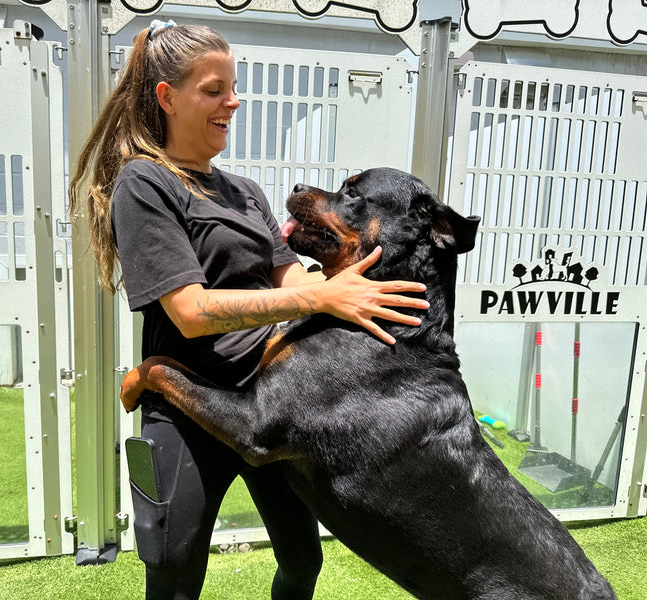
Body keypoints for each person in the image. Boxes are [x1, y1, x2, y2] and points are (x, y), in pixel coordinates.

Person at [68, 19, 428, 600]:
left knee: (302, 562)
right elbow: (189, 311)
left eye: (233, 88)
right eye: (214, 90)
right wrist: (318, 295)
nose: (232, 102)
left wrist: (347, 282)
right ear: (167, 97)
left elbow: (290, 275)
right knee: (174, 570)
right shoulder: (146, 183)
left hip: (268, 403)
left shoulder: (245, 192)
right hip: (188, 410)